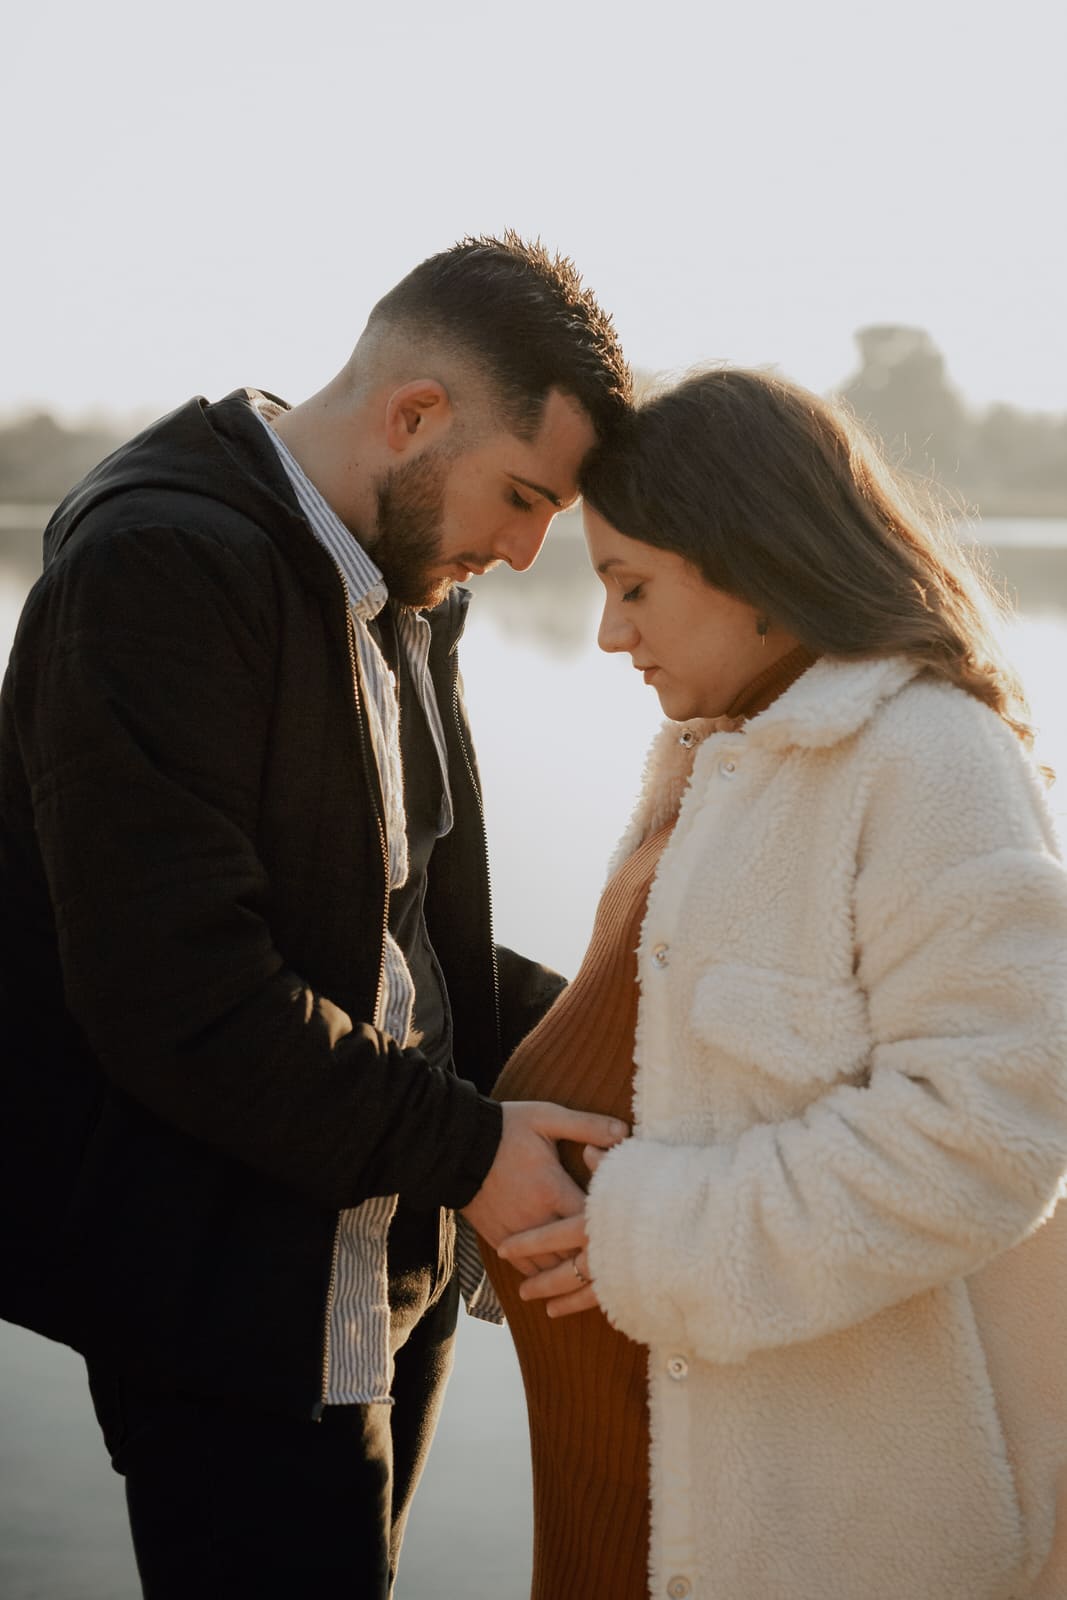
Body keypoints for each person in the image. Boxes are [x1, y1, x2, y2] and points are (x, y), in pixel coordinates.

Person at [0, 233, 633, 1599]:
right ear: (414, 415)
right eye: (523, 498)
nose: (526, 552)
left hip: (395, 1260)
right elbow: (178, 997)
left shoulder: (399, 581)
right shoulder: (157, 569)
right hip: (229, 1299)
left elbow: (396, 939)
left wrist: (639, 1039)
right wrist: (473, 1147)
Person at [485, 367, 1067, 1600]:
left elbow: (991, 1132)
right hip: (619, 1463)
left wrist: (647, 1237)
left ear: (747, 563)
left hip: (802, 1516)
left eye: (631, 586)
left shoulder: (926, 756)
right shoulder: (717, 751)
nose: (609, 634)